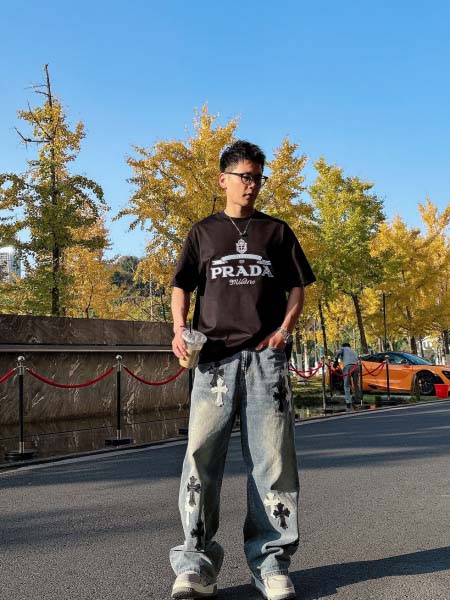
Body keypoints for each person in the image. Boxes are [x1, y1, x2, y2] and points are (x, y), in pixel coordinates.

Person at [169, 140, 316, 600]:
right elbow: (181, 284)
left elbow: (297, 286)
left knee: (273, 462)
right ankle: (195, 564)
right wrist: (178, 328)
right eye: (245, 177)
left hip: (264, 361)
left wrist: (284, 331)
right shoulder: (203, 232)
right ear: (223, 180)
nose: (252, 185)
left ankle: (271, 563)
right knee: (200, 459)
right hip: (213, 361)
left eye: (258, 178)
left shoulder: (276, 232)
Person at [333, 342, 360, 412]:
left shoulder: (343, 348)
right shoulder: (353, 350)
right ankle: (358, 400)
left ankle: (348, 402)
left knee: (346, 384)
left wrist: (335, 360)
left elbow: (338, 352)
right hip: (356, 366)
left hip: (348, 366)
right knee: (356, 384)